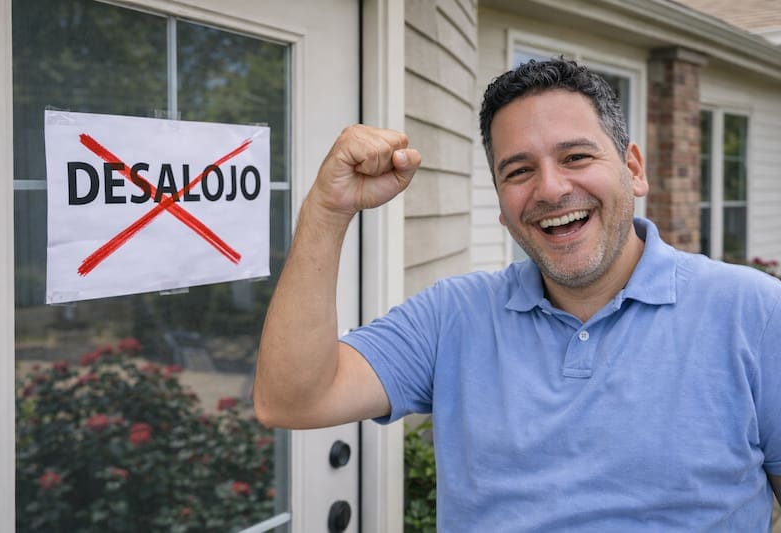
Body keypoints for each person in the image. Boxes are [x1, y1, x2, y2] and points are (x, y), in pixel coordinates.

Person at [254, 58, 781, 531]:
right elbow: (292, 398)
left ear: (633, 169)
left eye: (575, 156)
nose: (550, 189)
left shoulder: (753, 312)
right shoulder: (452, 316)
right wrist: (328, 210)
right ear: (502, 206)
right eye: (519, 170)